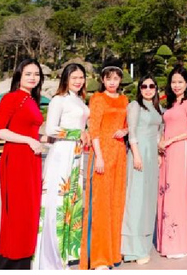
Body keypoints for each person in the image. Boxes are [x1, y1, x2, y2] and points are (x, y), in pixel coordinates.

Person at [33, 63, 89, 270]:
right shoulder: (58, 99)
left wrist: (85, 135)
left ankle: (64, 254)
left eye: (81, 77)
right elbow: (50, 129)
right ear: (65, 78)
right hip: (61, 153)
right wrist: (77, 134)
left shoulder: (78, 99)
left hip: (75, 155)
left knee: (71, 203)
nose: (78, 80)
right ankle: (50, 256)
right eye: (74, 77)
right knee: (56, 201)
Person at [0, 58, 45, 269]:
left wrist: (44, 140)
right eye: (28, 74)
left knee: (29, 213)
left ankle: (23, 263)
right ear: (19, 76)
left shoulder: (32, 100)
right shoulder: (12, 98)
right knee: (17, 213)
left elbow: (31, 130)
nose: (33, 78)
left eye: (37, 74)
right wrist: (28, 140)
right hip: (16, 160)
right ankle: (8, 265)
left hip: (31, 160)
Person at [80, 61, 129, 270]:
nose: (112, 82)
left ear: (120, 80)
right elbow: (94, 130)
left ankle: (114, 252)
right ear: (102, 80)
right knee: (100, 204)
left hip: (119, 155)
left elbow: (128, 125)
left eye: (116, 78)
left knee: (116, 203)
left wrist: (126, 131)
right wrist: (98, 156)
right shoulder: (97, 99)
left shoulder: (125, 99)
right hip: (102, 154)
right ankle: (99, 256)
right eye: (108, 78)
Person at [157, 65, 187, 258]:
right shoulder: (171, 104)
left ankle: (179, 243)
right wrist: (162, 143)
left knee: (177, 192)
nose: (176, 85)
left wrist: (174, 139)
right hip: (167, 150)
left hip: (181, 149)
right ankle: (167, 240)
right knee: (165, 191)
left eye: (180, 82)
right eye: (173, 82)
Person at [121, 75, 164, 265]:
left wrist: (158, 154)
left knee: (148, 200)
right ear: (139, 89)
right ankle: (132, 249)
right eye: (144, 86)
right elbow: (132, 131)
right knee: (136, 199)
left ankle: (144, 246)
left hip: (152, 156)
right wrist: (136, 155)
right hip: (138, 154)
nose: (148, 89)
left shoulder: (157, 108)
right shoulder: (135, 106)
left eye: (151, 86)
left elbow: (158, 133)